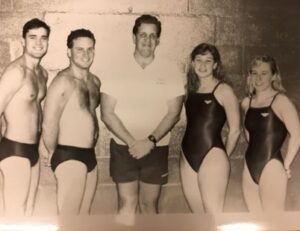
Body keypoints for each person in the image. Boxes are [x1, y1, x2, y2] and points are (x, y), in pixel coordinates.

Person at [100, 14, 184, 218]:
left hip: (156, 146)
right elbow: (106, 113)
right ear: (134, 37)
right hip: (123, 146)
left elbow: (173, 113)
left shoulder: (171, 70)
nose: (147, 40)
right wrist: (132, 143)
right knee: (126, 204)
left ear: (158, 40)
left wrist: (150, 141)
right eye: (143, 35)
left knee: (149, 205)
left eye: (152, 36)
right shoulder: (116, 69)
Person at [41, 29, 100, 215]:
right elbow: (48, 122)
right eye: (80, 49)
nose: (86, 54)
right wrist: (52, 151)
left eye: (90, 49)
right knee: (69, 219)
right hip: (69, 154)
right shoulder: (63, 82)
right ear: (69, 52)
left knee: (83, 217)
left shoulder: (95, 81)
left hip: (90, 155)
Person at [180, 43, 240, 214]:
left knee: (213, 216)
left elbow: (235, 129)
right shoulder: (188, 90)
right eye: (198, 60)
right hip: (186, 156)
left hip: (213, 155)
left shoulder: (224, 90)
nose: (203, 65)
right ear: (192, 63)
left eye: (208, 61)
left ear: (215, 65)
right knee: (198, 217)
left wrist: (223, 156)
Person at [0, 18, 50, 216]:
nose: (38, 43)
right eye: (33, 37)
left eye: (43, 38)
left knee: (29, 211)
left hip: (33, 150)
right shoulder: (16, 72)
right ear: (23, 41)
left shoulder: (42, 74)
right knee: (14, 213)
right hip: (15, 149)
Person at [241, 55, 300, 211]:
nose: (258, 78)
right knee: (255, 221)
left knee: (273, 223)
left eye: (264, 73)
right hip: (249, 167)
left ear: (274, 76)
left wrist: (286, 165)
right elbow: (249, 135)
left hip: (272, 166)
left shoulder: (281, 101)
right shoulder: (247, 103)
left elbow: (297, 134)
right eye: (254, 73)